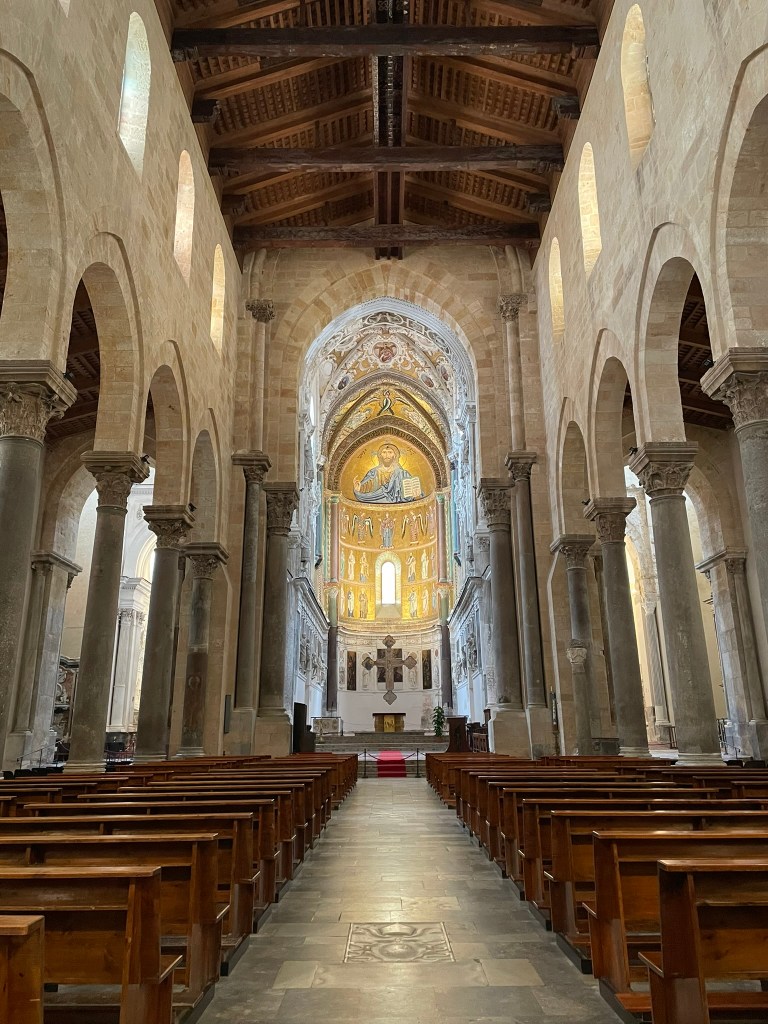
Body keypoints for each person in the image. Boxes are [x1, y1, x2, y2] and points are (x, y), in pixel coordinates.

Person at [353, 443, 418, 503]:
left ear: (395, 455)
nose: (387, 455)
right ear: (380, 455)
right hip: (375, 504)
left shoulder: (403, 474)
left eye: (390, 452)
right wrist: (358, 489)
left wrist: (415, 494)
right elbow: (365, 490)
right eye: (384, 452)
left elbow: (410, 496)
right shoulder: (373, 473)